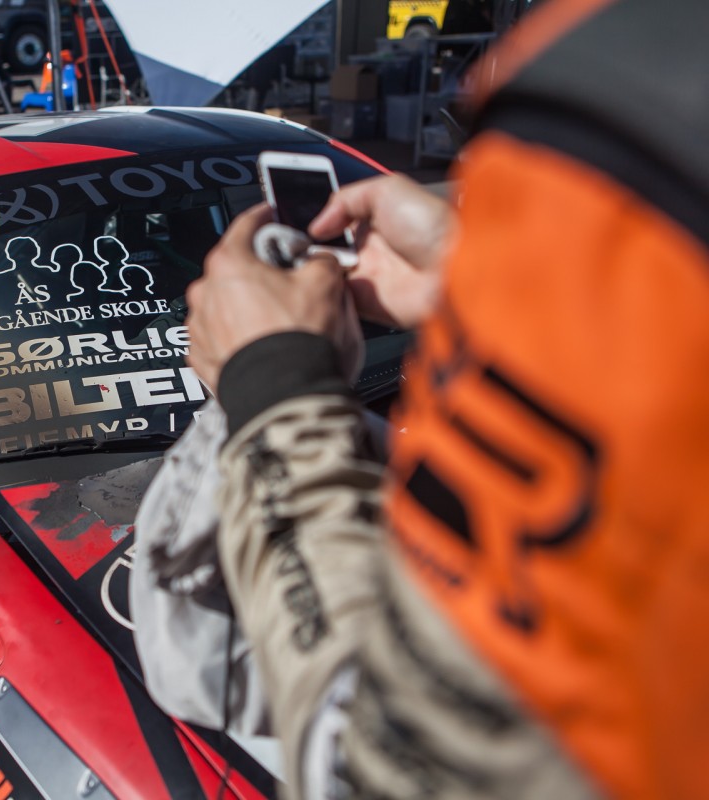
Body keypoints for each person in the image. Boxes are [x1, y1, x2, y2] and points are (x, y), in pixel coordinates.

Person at [184, 0, 709, 797]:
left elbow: (405, 756)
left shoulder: (611, 70)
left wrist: (273, 384)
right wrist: (481, 286)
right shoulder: (613, 65)